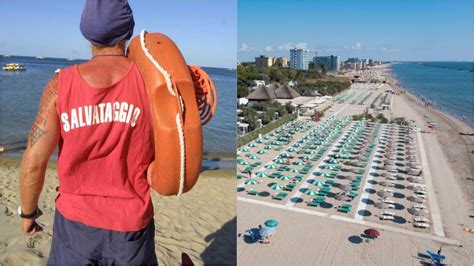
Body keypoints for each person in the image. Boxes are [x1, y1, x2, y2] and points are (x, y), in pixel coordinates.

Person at [19, 1, 157, 264]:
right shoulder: (150, 83)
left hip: (75, 224)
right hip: (131, 224)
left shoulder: (60, 85)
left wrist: (28, 214)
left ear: (86, 33)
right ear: (129, 31)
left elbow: (33, 163)